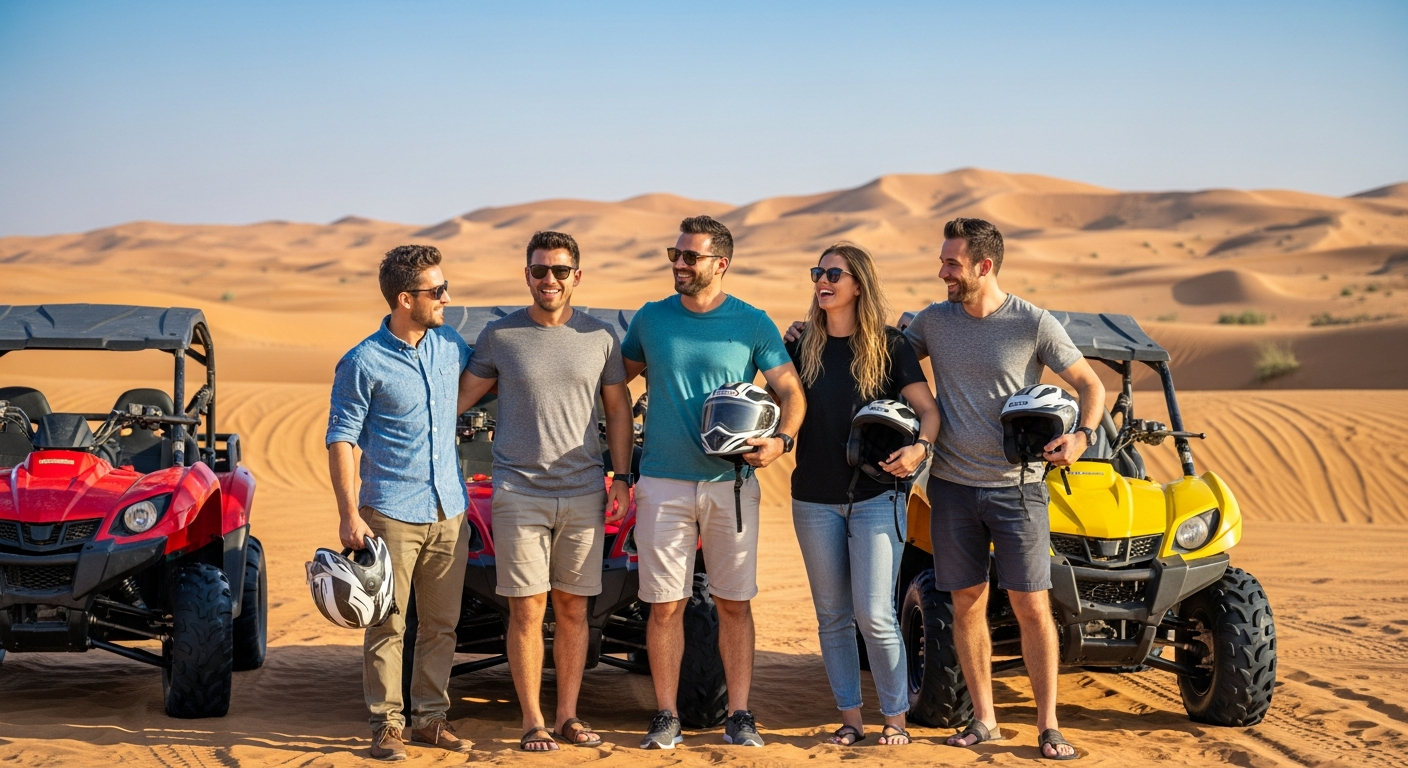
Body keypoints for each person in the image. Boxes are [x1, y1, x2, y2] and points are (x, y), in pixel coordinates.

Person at [905, 218, 1102, 760]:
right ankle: (985, 720)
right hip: (950, 486)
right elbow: (882, 357)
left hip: (1018, 489)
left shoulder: (1032, 323)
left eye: (952, 263)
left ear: (983, 266)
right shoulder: (933, 322)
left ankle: (1048, 725)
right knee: (967, 602)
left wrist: (1083, 435)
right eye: (942, 260)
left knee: (1032, 605)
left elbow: (1090, 383)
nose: (942, 271)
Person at [621, 215, 806, 749]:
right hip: (661, 482)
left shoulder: (751, 322)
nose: (678, 264)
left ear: (719, 264)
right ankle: (665, 714)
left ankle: (740, 713)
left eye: (690, 257)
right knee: (664, 604)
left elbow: (791, 391)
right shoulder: (651, 319)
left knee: (733, 601)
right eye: (675, 254)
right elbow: (614, 381)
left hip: (732, 484)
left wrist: (781, 442)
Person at [455, 231, 635, 752]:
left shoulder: (600, 338)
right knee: (527, 610)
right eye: (539, 271)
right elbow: (460, 401)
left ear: (577, 276)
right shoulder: (500, 337)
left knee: (574, 609)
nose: (548, 280)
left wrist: (621, 478)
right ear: (526, 275)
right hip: (518, 492)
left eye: (559, 271)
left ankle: (568, 717)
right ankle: (533, 720)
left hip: (584, 494)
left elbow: (619, 410)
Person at [786, 243, 940, 747]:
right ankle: (851, 720)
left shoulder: (890, 347)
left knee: (874, 613)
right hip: (812, 498)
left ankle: (894, 718)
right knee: (833, 617)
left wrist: (919, 449)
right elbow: (775, 400)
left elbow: (929, 411)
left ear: (859, 285)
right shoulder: (802, 346)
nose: (822, 280)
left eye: (834, 273)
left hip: (878, 497)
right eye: (818, 272)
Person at [326, 244, 474, 761]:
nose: (447, 299)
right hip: (389, 513)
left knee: (441, 626)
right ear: (405, 298)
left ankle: (431, 718)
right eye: (437, 291)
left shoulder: (451, 346)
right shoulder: (362, 361)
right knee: (388, 625)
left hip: (449, 511)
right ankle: (387, 725)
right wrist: (349, 514)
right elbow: (341, 438)